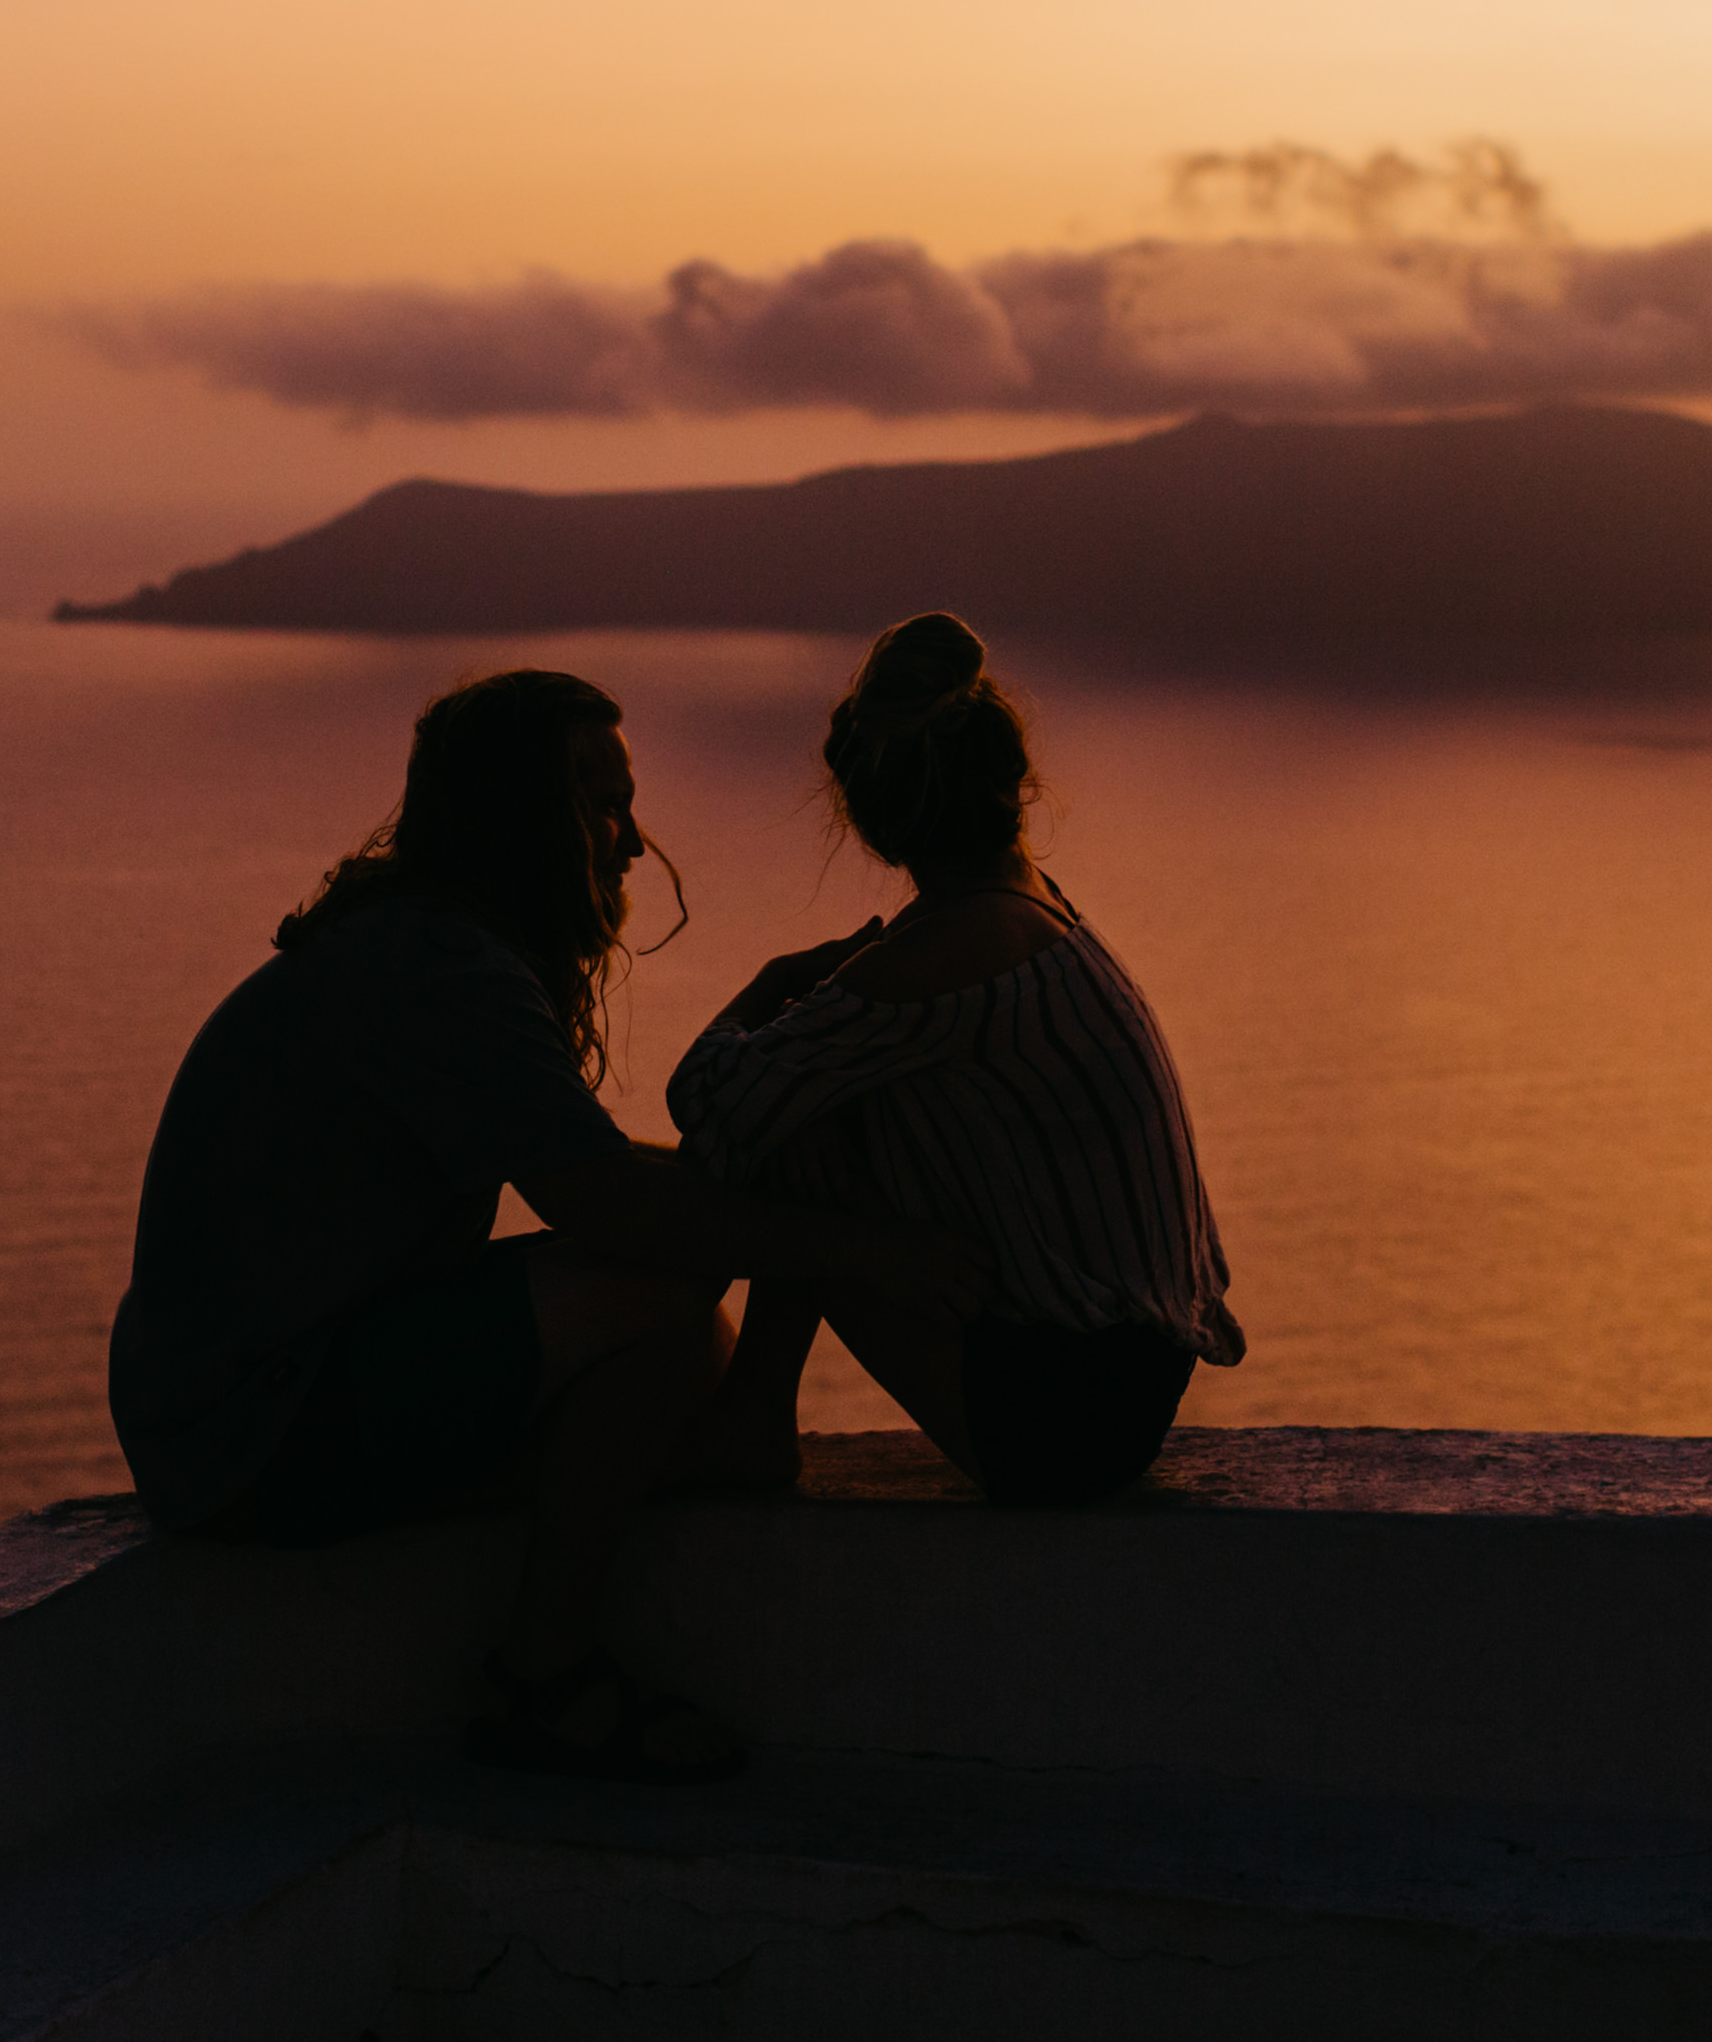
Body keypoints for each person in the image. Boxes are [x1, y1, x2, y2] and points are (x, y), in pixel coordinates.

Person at [108, 666, 988, 1785]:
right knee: (669, 1294)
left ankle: (732, 1439)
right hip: (253, 1431)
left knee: (677, 1345)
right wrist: (859, 1249)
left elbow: (608, 1183)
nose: (630, 843)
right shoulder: (442, 970)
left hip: (233, 1420)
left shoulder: (418, 944)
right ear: (520, 817)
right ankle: (545, 1676)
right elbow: (610, 1204)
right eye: (602, 803)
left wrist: (759, 1069)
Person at [671, 613, 1244, 1505]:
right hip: (1129, 1384)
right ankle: (750, 1413)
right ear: (1012, 781)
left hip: (1060, 1424)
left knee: (789, 1120)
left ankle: (748, 1415)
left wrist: (769, 981)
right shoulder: (1035, 907)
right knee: (810, 1099)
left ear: (875, 824)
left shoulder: (954, 947)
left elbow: (708, 1102)